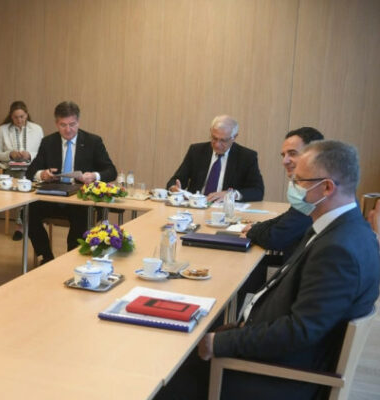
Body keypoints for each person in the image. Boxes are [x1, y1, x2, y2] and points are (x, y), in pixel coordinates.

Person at [156, 140, 380, 400]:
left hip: (282, 377)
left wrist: (220, 343)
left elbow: (299, 331)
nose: (293, 187)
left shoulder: (338, 249)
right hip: (278, 355)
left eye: (299, 181)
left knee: (165, 374)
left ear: (327, 187)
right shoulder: (346, 230)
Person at [25, 101, 117, 264]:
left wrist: (94, 176)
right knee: (27, 212)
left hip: (79, 198)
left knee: (81, 217)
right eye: (63, 125)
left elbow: (111, 171)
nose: (68, 129)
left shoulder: (93, 141)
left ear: (78, 122)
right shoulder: (48, 142)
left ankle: (71, 261)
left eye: (72, 124)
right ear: (56, 123)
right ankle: (46, 256)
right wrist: (42, 174)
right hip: (53, 197)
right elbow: (31, 171)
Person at [242, 127, 324, 259]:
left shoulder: (317, 191)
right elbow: (286, 218)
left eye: (292, 153)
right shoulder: (309, 186)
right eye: (283, 155)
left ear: (314, 155)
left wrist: (253, 231)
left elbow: (276, 238)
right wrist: (257, 227)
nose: (285, 161)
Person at [167, 115, 264, 202]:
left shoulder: (246, 157)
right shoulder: (196, 151)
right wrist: (174, 188)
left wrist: (231, 194)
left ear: (234, 137)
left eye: (223, 140)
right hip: (197, 206)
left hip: (224, 208)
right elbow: (175, 180)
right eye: (214, 138)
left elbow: (258, 191)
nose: (217, 144)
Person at [0, 100, 43, 241]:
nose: (19, 120)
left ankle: (26, 222)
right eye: (16, 117)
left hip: (31, 167)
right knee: (22, 179)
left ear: (27, 115)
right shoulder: (3, 129)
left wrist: (29, 155)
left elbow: (43, 153)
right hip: (11, 169)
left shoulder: (37, 129)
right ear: (11, 116)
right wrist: (10, 154)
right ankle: (20, 226)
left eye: (22, 116)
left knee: (26, 177)